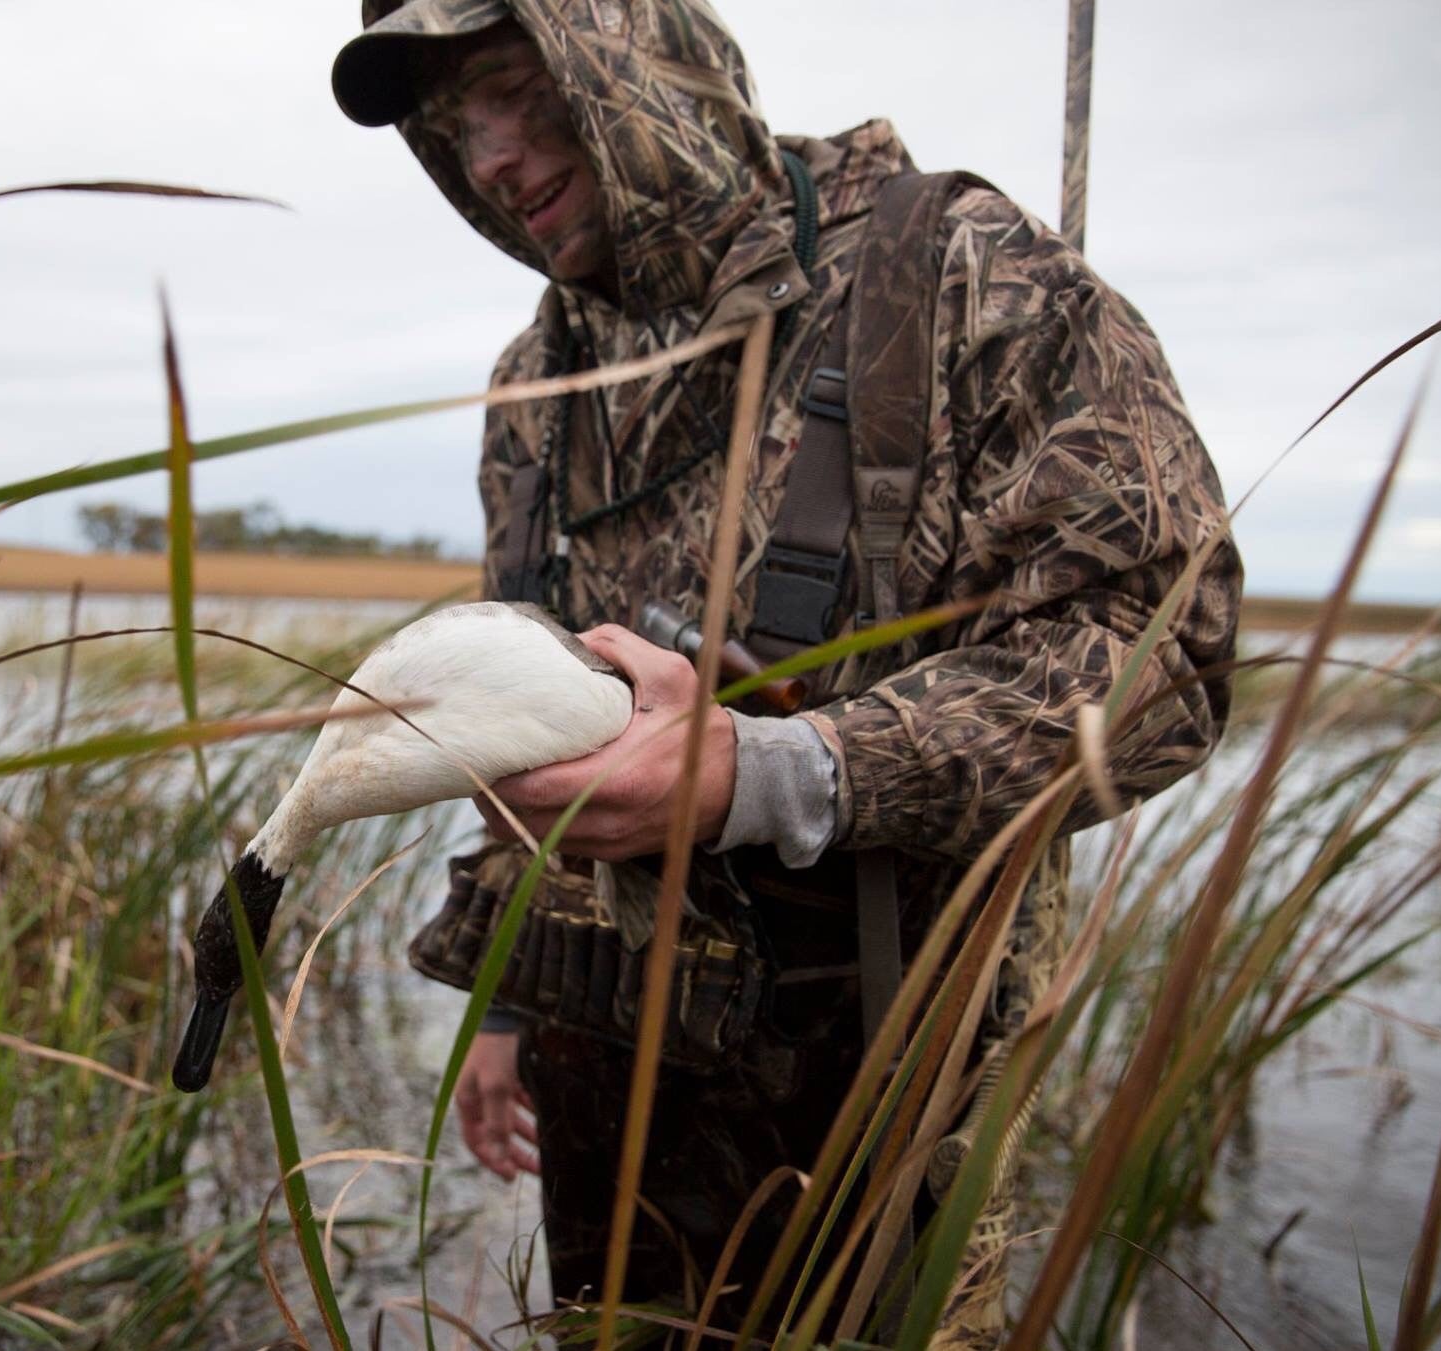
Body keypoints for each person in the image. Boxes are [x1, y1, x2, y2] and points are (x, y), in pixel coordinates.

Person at [331, 1, 1242, 1343]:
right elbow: (510, 720)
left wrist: (774, 772)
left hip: (887, 1084)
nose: (493, 162)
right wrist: (509, 1006)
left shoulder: (960, 278)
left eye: (516, 93)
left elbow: (1164, 651)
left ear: (633, 56)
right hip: (608, 1098)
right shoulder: (536, 380)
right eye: (453, 129)